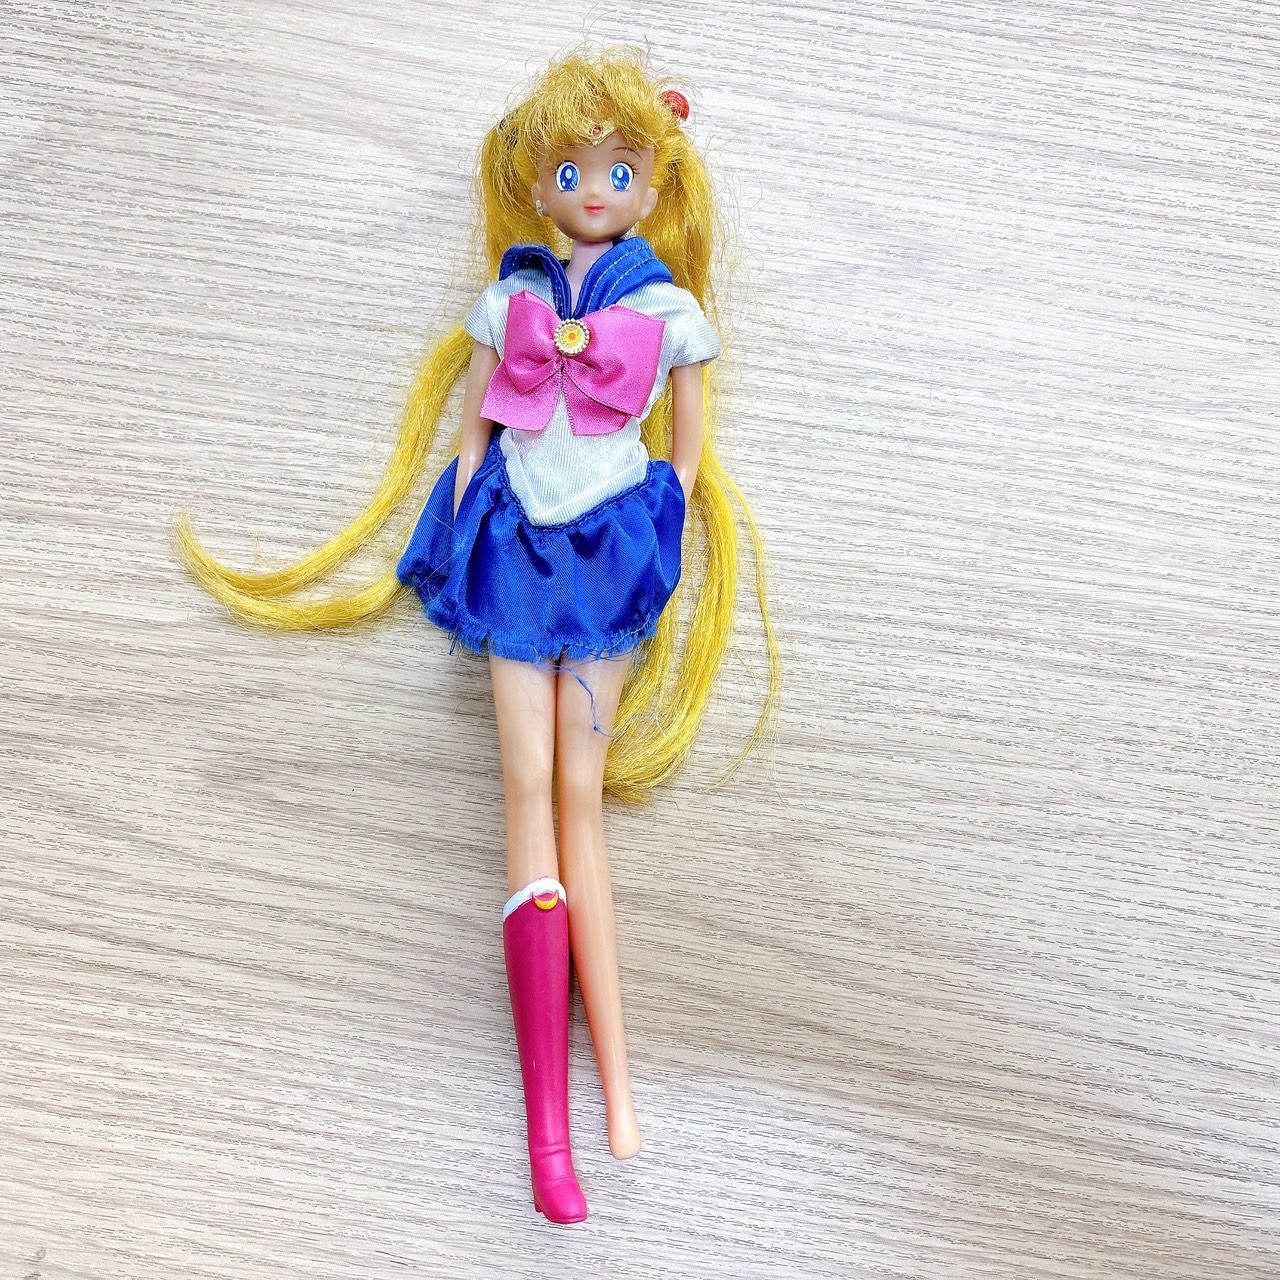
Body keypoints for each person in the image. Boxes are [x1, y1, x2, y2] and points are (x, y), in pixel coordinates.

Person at [174, 43, 780, 1225]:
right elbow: (469, 435)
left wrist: (661, 512)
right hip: (513, 544)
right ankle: (549, 1132)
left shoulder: (665, 311)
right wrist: (457, 515)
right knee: (525, 790)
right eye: (570, 169)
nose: (592, 188)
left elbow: (687, 447)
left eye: (617, 168)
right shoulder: (509, 303)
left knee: (577, 795)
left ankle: (616, 1085)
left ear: (652, 180)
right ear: (536, 180)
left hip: (608, 542)